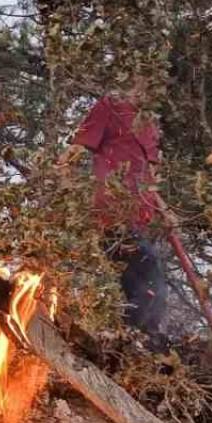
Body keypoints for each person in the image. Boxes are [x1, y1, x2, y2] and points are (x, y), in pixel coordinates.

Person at [56, 78, 169, 338]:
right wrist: (60, 182)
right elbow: (77, 149)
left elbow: (150, 178)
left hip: (139, 218)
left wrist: (166, 212)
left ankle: (130, 344)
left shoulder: (150, 125)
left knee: (134, 284)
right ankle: (145, 339)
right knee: (150, 273)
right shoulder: (111, 105)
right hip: (111, 213)